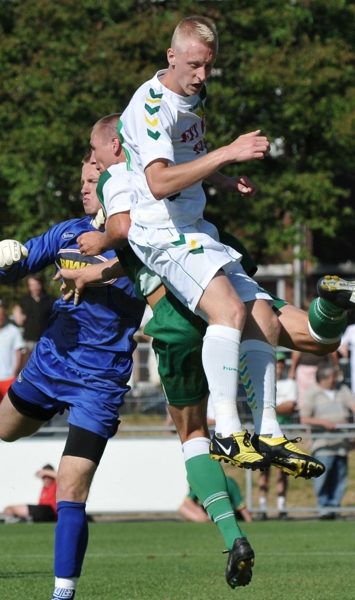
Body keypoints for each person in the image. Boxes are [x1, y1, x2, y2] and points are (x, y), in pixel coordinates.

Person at [58, 114, 349, 588]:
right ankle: (324, 314)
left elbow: (125, 232)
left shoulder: (117, 195)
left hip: (181, 315)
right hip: (218, 274)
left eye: (90, 174)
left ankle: (232, 531)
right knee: (320, 341)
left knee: (192, 435)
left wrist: (90, 257)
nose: (86, 184)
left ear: (111, 149)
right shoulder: (153, 166)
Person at [117, 16, 328, 476]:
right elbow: (156, 182)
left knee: (262, 316)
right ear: (171, 56)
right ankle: (228, 431)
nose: (201, 76)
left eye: (208, 67)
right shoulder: (152, 106)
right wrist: (228, 152)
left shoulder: (194, 95)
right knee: (229, 311)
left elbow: (190, 158)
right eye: (194, 65)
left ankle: (269, 431)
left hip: (194, 225)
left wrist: (225, 180)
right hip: (161, 229)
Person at [0, 154, 144, 600]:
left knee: (71, 485)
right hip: (50, 363)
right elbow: (20, 263)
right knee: (4, 430)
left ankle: (63, 593)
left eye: (92, 180)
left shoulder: (142, 240)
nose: (83, 187)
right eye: (81, 180)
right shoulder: (66, 231)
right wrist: (5, 259)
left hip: (101, 380)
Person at [299, 362, 355, 519]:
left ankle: (334, 508)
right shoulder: (312, 393)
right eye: (333, 377)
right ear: (323, 378)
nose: (336, 379)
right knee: (322, 478)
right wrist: (324, 423)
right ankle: (324, 509)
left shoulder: (343, 390)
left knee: (340, 478)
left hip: (342, 443)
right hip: (323, 444)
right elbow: (304, 418)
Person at [257, 353, 296, 519]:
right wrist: (279, 407)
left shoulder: (290, 384)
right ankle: (262, 508)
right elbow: (259, 407)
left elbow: (290, 407)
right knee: (263, 470)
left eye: (281, 363)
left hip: (282, 431)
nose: (279, 366)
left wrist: (270, 408)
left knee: (282, 470)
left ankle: (281, 507)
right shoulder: (263, 383)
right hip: (265, 431)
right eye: (277, 363)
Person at [13, 275, 54, 368]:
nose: (35, 287)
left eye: (37, 284)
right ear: (29, 286)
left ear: (41, 284)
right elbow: (17, 310)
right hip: (28, 343)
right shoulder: (24, 299)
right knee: (26, 369)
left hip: (45, 343)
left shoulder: (51, 300)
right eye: (32, 285)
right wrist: (17, 312)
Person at [179, 476, 252, 523]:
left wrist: (250, 522)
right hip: (208, 513)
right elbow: (188, 502)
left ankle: (206, 521)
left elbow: (241, 507)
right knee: (182, 508)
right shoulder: (203, 482)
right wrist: (201, 513)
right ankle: (206, 520)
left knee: (183, 509)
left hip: (227, 514)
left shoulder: (229, 482)